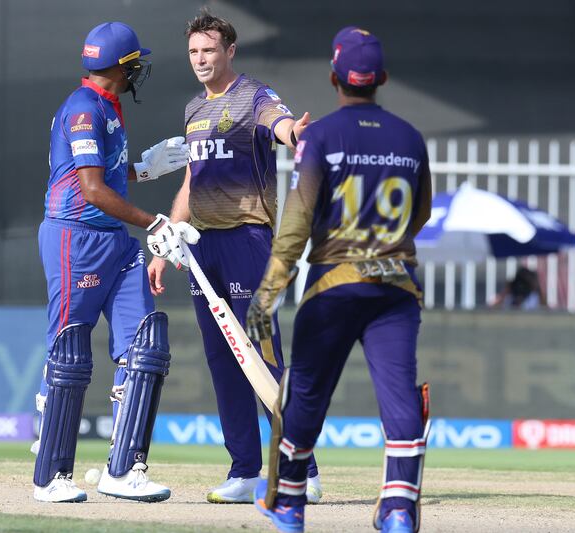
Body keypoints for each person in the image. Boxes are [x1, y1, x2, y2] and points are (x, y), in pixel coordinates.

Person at [247, 28, 433, 533]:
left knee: (304, 393)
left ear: (334, 77)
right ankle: (397, 510)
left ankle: (288, 505)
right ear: (383, 80)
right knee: (398, 397)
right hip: (396, 289)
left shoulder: (322, 136)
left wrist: (269, 292)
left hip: (333, 286)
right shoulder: (410, 139)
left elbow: (297, 223)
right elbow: (420, 215)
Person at [146, 11, 322, 504]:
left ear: (229, 51)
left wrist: (295, 134)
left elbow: (281, 124)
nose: (200, 60)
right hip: (201, 248)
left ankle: (300, 469)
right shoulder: (192, 110)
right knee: (223, 359)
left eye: (208, 51)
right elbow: (190, 181)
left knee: (264, 355)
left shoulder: (254, 96)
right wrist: (167, 243)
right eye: (193, 52)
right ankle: (245, 470)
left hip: (248, 240)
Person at [32, 21, 199, 504]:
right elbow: (91, 188)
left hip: (115, 243)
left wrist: (145, 166)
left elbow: (109, 172)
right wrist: (154, 223)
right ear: (121, 66)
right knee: (70, 352)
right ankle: (51, 475)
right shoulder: (83, 108)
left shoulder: (108, 105)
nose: (139, 70)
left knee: (145, 345)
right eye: (135, 63)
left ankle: (123, 469)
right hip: (75, 236)